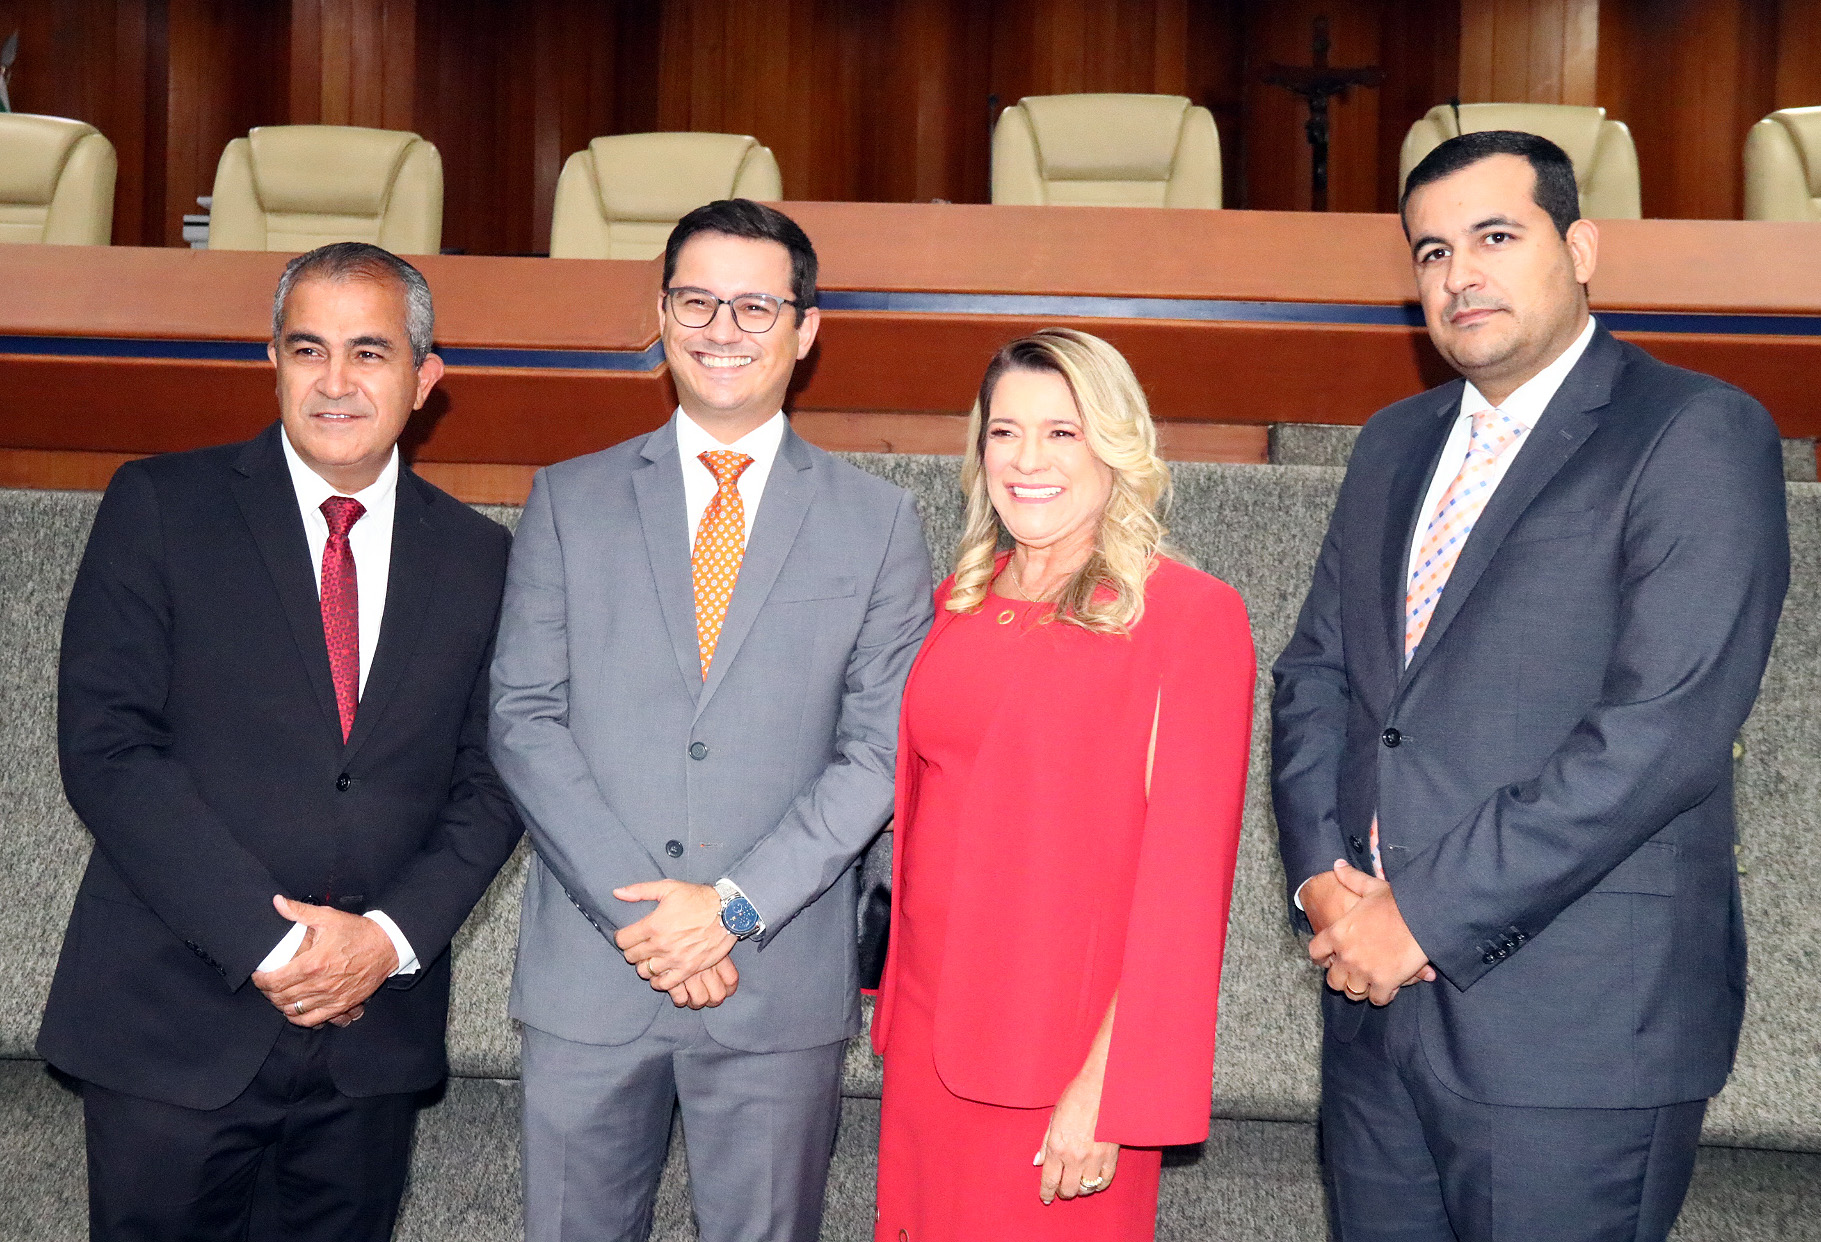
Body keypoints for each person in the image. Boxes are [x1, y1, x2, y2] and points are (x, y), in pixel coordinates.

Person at [1271, 131, 1789, 1242]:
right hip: (1372, 1011)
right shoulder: (1391, 443)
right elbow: (1316, 674)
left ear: (1580, 248)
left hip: (1574, 1028)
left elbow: (1661, 735)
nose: (1459, 274)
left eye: (1495, 237)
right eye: (1432, 252)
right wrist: (1320, 879)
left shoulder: (1695, 431)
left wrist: (1424, 914)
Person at [41, 241, 525, 1241]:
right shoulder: (162, 505)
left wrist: (383, 942)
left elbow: (493, 779)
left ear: (425, 377)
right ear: (272, 361)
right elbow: (108, 748)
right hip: (172, 1024)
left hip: (370, 1040)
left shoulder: (482, 556)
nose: (335, 382)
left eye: (369, 352)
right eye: (309, 350)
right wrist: (277, 946)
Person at [490, 198, 934, 1242]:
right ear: (660, 315)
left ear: (805, 329)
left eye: (754, 306)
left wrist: (729, 911)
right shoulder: (568, 499)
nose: (721, 328)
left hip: (776, 982)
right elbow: (523, 720)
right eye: (695, 301)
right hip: (594, 976)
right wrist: (652, 925)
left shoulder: (879, 523)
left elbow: (878, 752)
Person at [870, 328, 1256, 1241]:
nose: (1026, 460)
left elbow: (1183, 889)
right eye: (1004, 432)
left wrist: (1110, 1089)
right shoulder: (956, 602)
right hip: (925, 1040)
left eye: (1061, 433)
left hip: (1060, 1063)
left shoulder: (1185, 617)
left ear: (1114, 447)